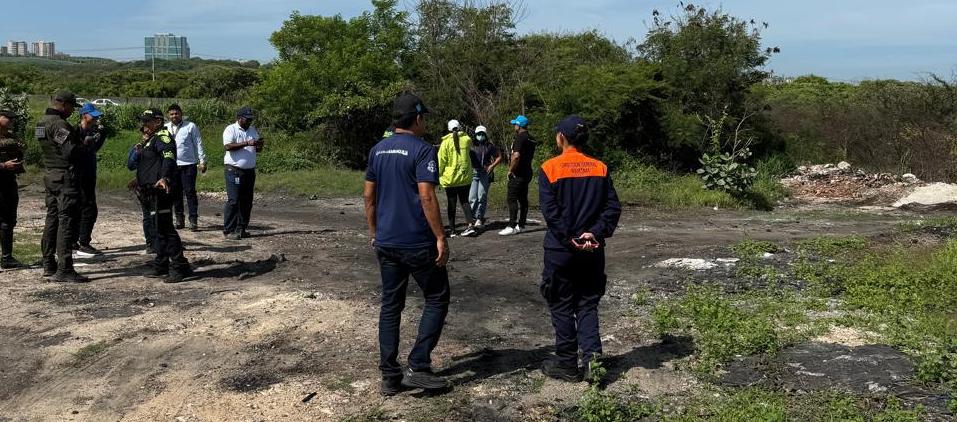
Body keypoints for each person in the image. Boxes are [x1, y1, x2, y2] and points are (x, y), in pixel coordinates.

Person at [364, 93, 451, 396]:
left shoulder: (377, 150)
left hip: (386, 242)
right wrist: (440, 236)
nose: (425, 122)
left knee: (391, 305)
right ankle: (419, 364)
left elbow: (368, 197)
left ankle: (390, 376)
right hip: (416, 242)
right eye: (424, 117)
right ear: (416, 119)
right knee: (438, 297)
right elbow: (426, 196)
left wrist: (374, 231)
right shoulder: (423, 150)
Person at [537, 115, 621, 382]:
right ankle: (593, 364)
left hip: (561, 251)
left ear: (561, 137)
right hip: (592, 250)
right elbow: (612, 208)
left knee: (561, 305)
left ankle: (566, 363)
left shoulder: (549, 168)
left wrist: (570, 237)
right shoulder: (600, 168)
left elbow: (551, 213)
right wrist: (593, 233)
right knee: (587, 304)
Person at [37, 90, 88, 283]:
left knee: (52, 218)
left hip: (50, 174)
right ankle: (65, 268)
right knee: (66, 220)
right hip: (65, 177)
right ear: (63, 104)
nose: (71, 112)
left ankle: (48, 263)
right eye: (70, 108)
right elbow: (70, 151)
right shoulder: (58, 124)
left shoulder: (41, 122)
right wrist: (85, 146)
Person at [136, 109, 193, 283]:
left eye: (147, 121)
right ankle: (161, 264)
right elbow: (151, 164)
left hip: (162, 190)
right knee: (156, 228)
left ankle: (179, 266)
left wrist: (164, 177)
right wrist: (137, 179)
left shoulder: (163, 138)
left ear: (158, 122)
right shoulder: (151, 140)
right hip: (150, 191)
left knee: (165, 229)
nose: (144, 125)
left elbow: (168, 158)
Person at [223, 107, 263, 240]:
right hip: (234, 170)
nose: (249, 121)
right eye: (247, 118)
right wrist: (247, 143)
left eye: (251, 119)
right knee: (234, 200)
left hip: (249, 171)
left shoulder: (252, 130)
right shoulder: (231, 129)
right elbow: (228, 146)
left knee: (247, 201)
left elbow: (257, 149)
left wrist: (259, 145)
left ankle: (241, 228)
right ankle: (228, 230)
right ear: (239, 118)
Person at [166, 104, 207, 231]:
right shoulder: (165, 127)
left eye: (176, 113)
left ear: (181, 113)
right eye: (172, 114)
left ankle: (193, 220)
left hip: (188, 164)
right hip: (172, 165)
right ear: (168, 115)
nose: (174, 116)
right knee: (175, 193)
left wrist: (202, 160)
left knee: (190, 192)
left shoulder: (190, 126)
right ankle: (179, 219)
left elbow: (198, 143)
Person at [74, 103, 107, 257]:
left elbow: (93, 150)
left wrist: (101, 137)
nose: (96, 118)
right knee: (87, 209)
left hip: (89, 173)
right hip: (78, 175)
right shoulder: (75, 131)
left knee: (86, 208)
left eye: (97, 116)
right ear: (84, 115)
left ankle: (77, 241)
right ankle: (83, 242)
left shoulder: (94, 131)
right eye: (93, 115)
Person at [499, 115, 537, 236]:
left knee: (512, 197)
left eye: (515, 124)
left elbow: (516, 156)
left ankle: (511, 225)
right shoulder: (531, 138)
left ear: (519, 125)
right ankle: (521, 224)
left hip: (518, 172)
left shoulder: (520, 137)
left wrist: (510, 170)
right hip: (528, 171)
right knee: (523, 198)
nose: (514, 125)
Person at [438, 120, 476, 237]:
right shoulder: (466, 140)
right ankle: (470, 226)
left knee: (451, 203)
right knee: (465, 201)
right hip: (464, 177)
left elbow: (441, 161)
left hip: (451, 179)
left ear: (449, 129)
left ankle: (452, 229)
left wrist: (438, 175)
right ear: (459, 127)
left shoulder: (445, 143)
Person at [0, 109, 25, 269]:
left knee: (8, 220)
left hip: (8, 182)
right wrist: (3, 165)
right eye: (7, 118)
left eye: (13, 118)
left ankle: (7, 257)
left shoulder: (11, 137)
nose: (11, 121)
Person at [127, 135, 157, 255]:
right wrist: (136, 153)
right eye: (144, 134)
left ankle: (162, 241)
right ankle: (150, 243)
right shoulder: (137, 148)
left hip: (156, 184)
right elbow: (130, 165)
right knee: (147, 215)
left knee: (160, 214)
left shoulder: (158, 146)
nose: (146, 136)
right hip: (143, 186)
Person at [468, 125, 501, 228]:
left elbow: (499, 156)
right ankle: (471, 217)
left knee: (481, 196)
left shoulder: (489, 146)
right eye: (478, 134)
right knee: (472, 197)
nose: (480, 136)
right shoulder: (471, 145)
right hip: (473, 173)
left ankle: (479, 217)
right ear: (475, 134)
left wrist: (492, 166)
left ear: (485, 135)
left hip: (484, 173)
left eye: (482, 134)